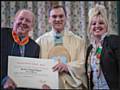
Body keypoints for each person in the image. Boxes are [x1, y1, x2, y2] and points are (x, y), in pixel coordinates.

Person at [36, 5, 87, 89]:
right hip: (48, 86)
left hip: (71, 86)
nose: (58, 19)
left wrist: (67, 67)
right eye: (54, 16)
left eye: (61, 16)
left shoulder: (79, 41)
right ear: (49, 19)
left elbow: (82, 64)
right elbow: (36, 67)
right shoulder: (40, 42)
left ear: (66, 18)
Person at [1, 9, 40, 90]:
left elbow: (33, 73)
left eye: (28, 21)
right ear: (15, 20)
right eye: (21, 18)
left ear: (32, 26)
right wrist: (3, 81)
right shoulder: (2, 34)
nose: (23, 22)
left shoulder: (35, 47)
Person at [85, 4, 120, 89]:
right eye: (93, 24)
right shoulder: (90, 49)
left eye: (101, 23)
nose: (97, 26)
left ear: (106, 26)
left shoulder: (114, 41)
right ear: (90, 27)